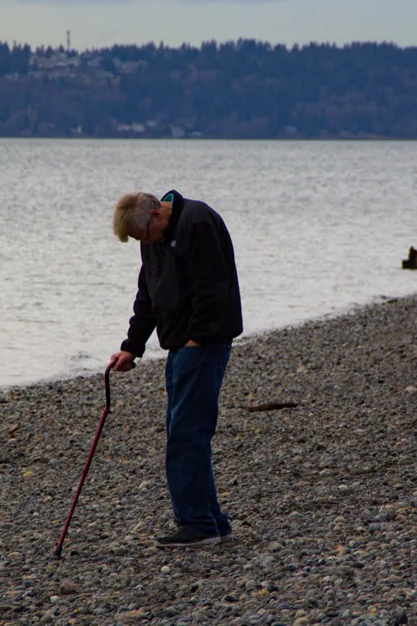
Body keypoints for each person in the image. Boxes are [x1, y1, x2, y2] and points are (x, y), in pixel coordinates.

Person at [109, 189, 243, 547]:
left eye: (146, 236)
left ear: (156, 216)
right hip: (180, 347)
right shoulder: (151, 236)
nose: (146, 244)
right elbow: (148, 296)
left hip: (203, 345)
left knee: (187, 433)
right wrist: (131, 347)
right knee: (182, 430)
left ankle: (198, 525)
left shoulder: (197, 222)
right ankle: (212, 521)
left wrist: (198, 337)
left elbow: (213, 287)